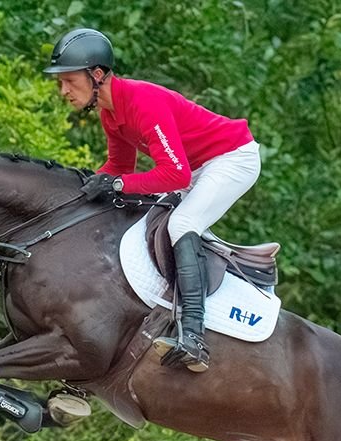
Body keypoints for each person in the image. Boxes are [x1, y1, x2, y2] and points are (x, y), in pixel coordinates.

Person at [45, 28, 261, 373]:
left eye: (69, 81)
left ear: (97, 75)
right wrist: (83, 192)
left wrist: (116, 183)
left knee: (182, 223)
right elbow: (119, 167)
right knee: (146, 216)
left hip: (232, 158)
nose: (64, 91)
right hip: (199, 166)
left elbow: (176, 176)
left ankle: (194, 336)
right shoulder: (110, 112)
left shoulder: (141, 102)